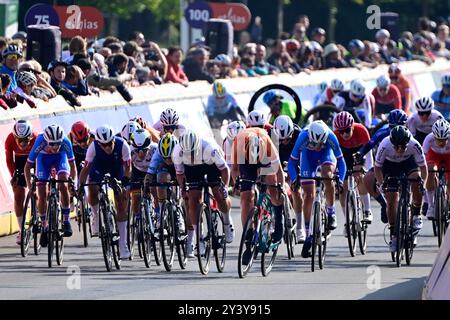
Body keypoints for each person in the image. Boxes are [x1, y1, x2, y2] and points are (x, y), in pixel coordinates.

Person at [288, 121, 346, 258]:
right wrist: (295, 179)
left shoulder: (331, 137)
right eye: (315, 143)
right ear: (310, 138)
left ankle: (331, 212)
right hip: (308, 156)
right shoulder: (303, 137)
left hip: (327, 154)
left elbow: (341, 162)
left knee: (328, 175)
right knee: (308, 194)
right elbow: (292, 162)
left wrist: (341, 180)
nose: (318, 146)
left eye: (321, 143)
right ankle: (308, 233)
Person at [174, 131, 234, 258]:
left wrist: (225, 187)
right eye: (187, 153)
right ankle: (199, 238)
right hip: (192, 169)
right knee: (193, 200)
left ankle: (227, 222)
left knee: (219, 193)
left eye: (191, 152)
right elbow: (179, 175)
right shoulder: (177, 152)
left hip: (211, 165)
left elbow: (224, 170)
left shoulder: (209, 148)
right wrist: (183, 189)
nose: (189, 155)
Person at [231, 125, 285, 265]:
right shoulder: (239, 143)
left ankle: (278, 221)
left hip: (265, 159)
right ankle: (248, 236)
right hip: (246, 162)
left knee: (273, 188)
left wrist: (280, 188)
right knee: (246, 197)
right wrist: (237, 183)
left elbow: (278, 171)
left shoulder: (267, 144)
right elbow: (235, 169)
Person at [78, 125, 132, 259]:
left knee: (121, 202)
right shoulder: (93, 148)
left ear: (114, 139)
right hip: (99, 167)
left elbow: (128, 168)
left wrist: (124, 183)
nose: (107, 147)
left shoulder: (123, 145)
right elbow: (85, 170)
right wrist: (80, 186)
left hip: (117, 168)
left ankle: (123, 244)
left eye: (109, 144)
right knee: (92, 186)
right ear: (98, 143)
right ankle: (95, 216)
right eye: (104, 145)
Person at [374, 126, 427, 252]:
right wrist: (382, 184)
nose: (399, 149)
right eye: (396, 146)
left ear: (408, 143)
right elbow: (377, 168)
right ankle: (394, 235)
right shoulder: (385, 145)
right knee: (391, 199)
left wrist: (422, 184)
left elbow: (424, 168)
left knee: (416, 179)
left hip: (408, 163)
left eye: (403, 146)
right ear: (392, 143)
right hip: (390, 165)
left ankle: (416, 214)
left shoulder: (414, 144)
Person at [24, 125, 77, 247]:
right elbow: (27, 167)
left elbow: (73, 166)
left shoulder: (66, 142)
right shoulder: (40, 141)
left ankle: (66, 220)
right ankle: (44, 226)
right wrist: (30, 187)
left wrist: (72, 182)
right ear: (46, 141)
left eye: (58, 143)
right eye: (52, 144)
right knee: (42, 194)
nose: (56, 146)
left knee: (63, 183)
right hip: (43, 160)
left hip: (60, 159)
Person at [355, 109, 408, 223]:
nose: (396, 130)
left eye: (400, 126)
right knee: (367, 179)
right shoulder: (383, 132)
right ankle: (384, 204)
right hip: (386, 164)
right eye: (392, 126)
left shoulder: (410, 133)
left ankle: (412, 209)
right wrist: (360, 154)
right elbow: (370, 144)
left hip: (404, 163)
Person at [332, 112, 373, 230]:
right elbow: (334, 157)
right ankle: (347, 221)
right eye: (341, 131)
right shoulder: (335, 136)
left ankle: (367, 210)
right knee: (342, 187)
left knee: (359, 175)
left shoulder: (362, 130)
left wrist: (369, 169)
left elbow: (369, 153)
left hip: (359, 152)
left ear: (353, 126)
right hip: (344, 154)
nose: (344, 134)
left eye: (347, 130)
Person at [273, 115, 306, 243]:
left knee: (296, 190)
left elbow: (306, 158)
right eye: (281, 140)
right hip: (279, 160)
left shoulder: (300, 135)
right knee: (272, 188)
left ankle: (299, 227)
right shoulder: (272, 136)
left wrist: (297, 172)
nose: (284, 141)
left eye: (287, 139)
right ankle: (274, 221)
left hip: (296, 160)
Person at [5, 120, 37, 244]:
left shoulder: (36, 138)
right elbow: (9, 160)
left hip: (34, 161)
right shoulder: (10, 139)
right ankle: (21, 229)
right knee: (18, 196)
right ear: (15, 137)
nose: (23, 143)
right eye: (20, 140)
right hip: (20, 162)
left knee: (41, 191)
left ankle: (43, 216)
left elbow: (42, 158)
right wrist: (14, 174)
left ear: (30, 136)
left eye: (26, 140)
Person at [129, 128, 158, 229]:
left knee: (155, 190)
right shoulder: (130, 151)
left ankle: (158, 215)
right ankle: (137, 219)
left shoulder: (155, 149)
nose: (141, 154)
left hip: (153, 171)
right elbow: (126, 169)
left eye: (145, 150)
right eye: (138, 150)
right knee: (135, 197)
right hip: (137, 171)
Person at [423, 119, 450, 220]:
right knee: (430, 171)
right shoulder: (428, 139)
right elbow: (422, 159)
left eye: (444, 139)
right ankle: (431, 205)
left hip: (449, 156)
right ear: (434, 136)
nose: (441, 142)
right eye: (438, 139)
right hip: (434, 155)